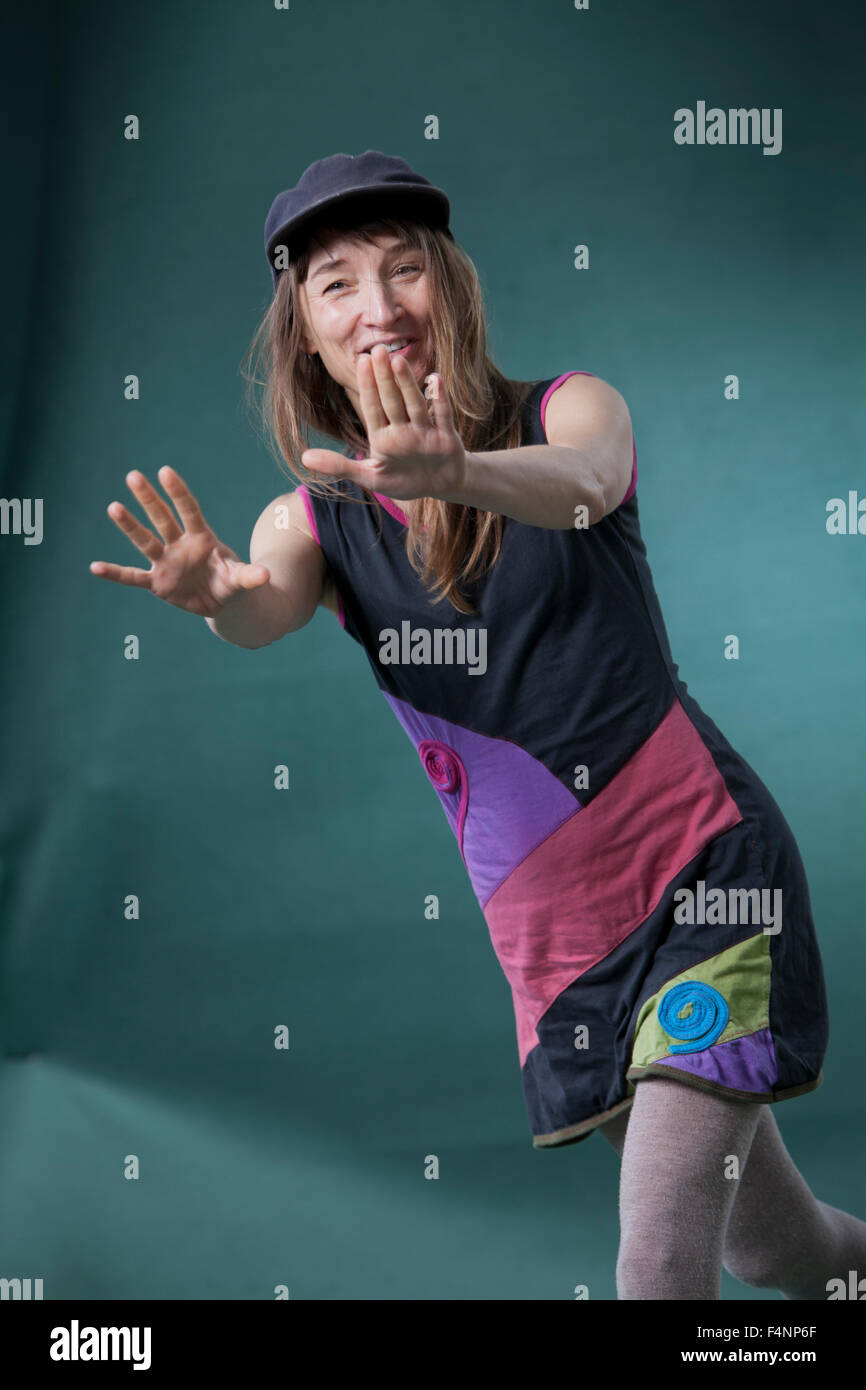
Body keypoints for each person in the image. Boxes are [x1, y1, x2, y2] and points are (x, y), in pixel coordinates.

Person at [90, 150, 866, 1300]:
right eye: (338, 284)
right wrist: (214, 597)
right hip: (560, 947)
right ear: (305, 329)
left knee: (658, 1265)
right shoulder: (313, 516)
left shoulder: (567, 406)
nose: (379, 305)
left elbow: (585, 483)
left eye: (404, 270)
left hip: (708, 879)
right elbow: (265, 606)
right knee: (772, 1249)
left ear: (447, 286)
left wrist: (458, 468)